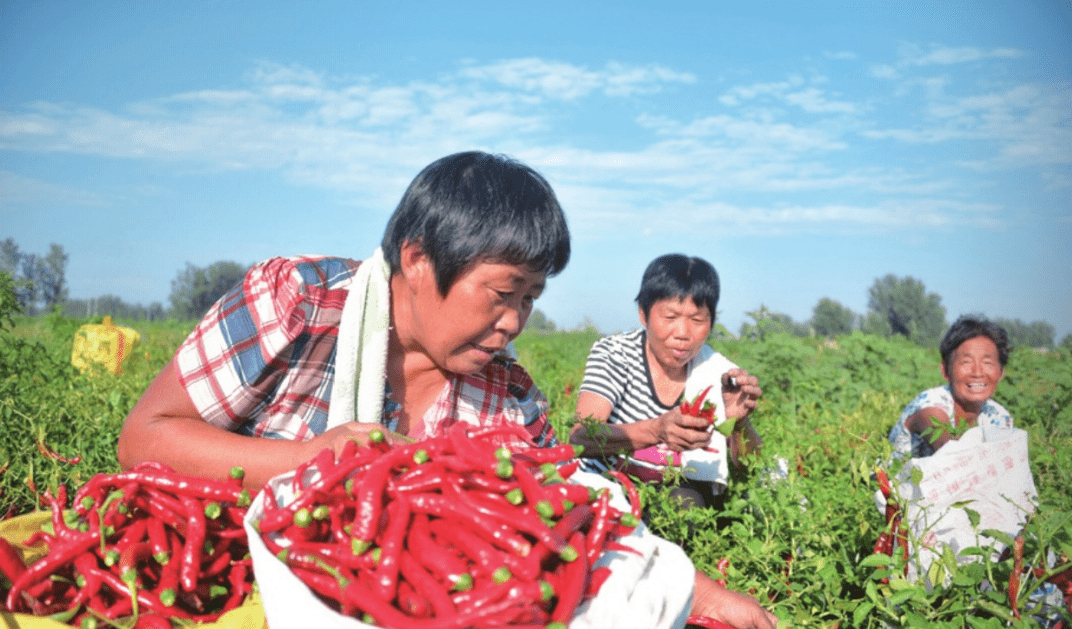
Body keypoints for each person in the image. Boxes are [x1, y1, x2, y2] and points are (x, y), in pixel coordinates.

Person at [117, 153, 778, 629]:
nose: (513, 321)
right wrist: (311, 461)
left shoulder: (507, 394)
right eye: (500, 293)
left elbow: (575, 506)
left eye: (530, 298)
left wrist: (702, 593)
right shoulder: (298, 302)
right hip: (216, 576)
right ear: (416, 258)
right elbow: (144, 437)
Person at [569, 253, 763, 510]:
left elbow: (751, 471)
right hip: (609, 484)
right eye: (670, 317)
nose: (682, 334)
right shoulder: (615, 354)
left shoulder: (719, 373)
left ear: (711, 322)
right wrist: (657, 430)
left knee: (685, 505)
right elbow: (581, 437)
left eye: (697, 320)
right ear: (643, 315)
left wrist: (739, 424)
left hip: (678, 497)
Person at [888, 315, 1013, 459]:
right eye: (966, 362)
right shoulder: (931, 404)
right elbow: (948, 450)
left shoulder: (999, 416)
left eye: (987, 363)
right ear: (946, 370)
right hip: (897, 481)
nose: (978, 373)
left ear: (1001, 372)